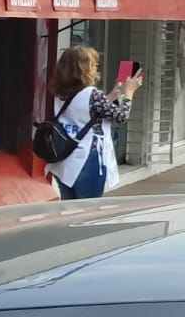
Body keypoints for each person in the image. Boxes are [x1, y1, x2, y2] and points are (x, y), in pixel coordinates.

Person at [45, 45, 142, 200]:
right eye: (93, 64)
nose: (96, 68)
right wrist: (129, 92)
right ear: (83, 68)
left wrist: (113, 95)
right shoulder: (92, 94)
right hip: (87, 157)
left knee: (69, 206)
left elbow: (85, 112)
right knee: (89, 208)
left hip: (63, 158)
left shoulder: (57, 92)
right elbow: (120, 116)